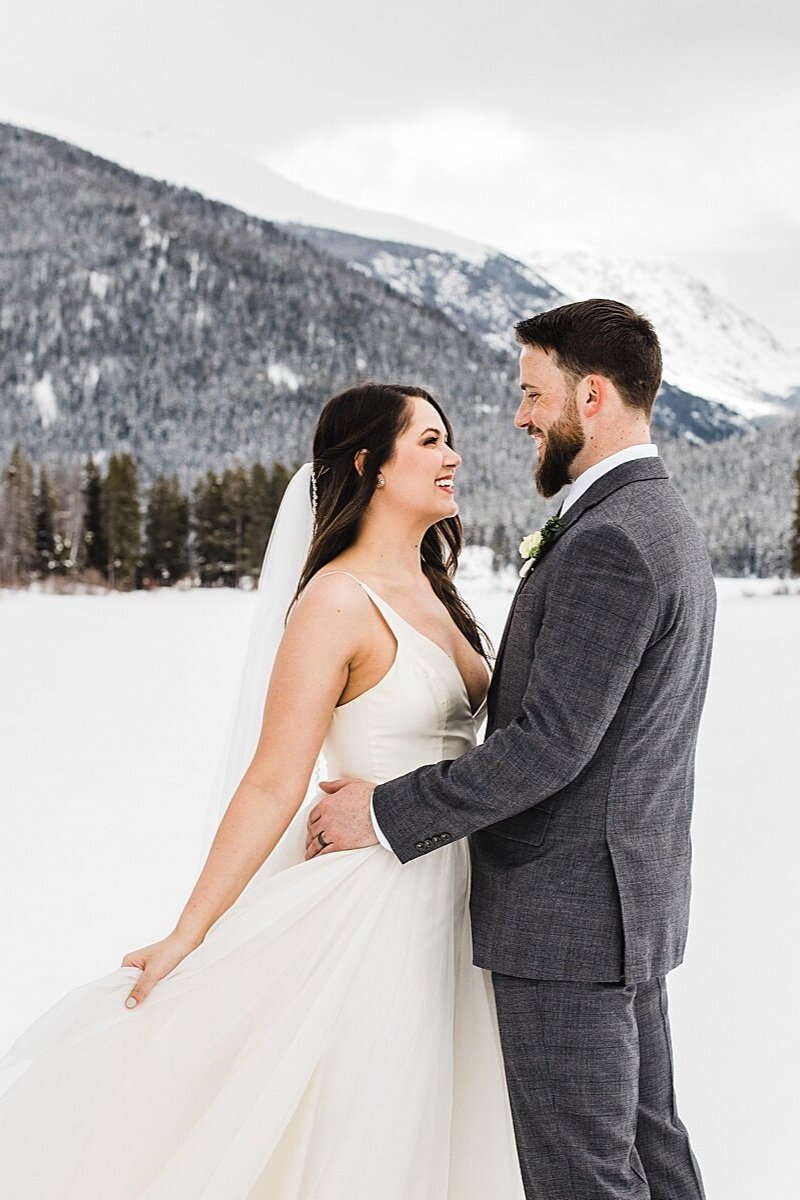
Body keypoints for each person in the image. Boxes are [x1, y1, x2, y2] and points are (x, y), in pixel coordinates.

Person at [0, 382, 526, 1198]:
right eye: (427, 441)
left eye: (446, 439)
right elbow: (274, 780)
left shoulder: (435, 589)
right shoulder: (332, 603)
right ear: (370, 465)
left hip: (462, 898)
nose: (452, 456)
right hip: (378, 908)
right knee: (372, 1124)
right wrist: (189, 932)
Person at [307, 301, 716, 1200]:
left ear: (593, 395)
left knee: (584, 1177)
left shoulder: (611, 540)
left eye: (534, 393)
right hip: (625, 901)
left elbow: (549, 748)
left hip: (568, 919)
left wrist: (382, 809)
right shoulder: (660, 520)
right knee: (649, 1151)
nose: (521, 415)